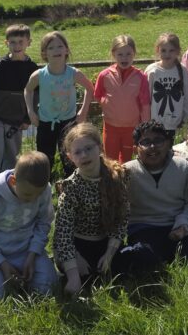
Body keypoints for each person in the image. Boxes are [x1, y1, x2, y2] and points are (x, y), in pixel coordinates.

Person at [0, 150, 58, 308]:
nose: (33, 200)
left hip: (28, 251)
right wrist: (1, 263)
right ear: (13, 181)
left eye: (38, 195)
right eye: (27, 195)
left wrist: (33, 253)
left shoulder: (43, 190)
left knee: (48, 290)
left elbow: (44, 222)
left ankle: (35, 267)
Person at [53, 123, 130, 293]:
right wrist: (74, 272)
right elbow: (63, 234)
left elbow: (122, 220)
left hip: (107, 242)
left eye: (88, 148)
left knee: (138, 260)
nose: (84, 155)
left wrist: (109, 254)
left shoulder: (118, 176)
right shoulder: (70, 188)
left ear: (100, 147)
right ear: (70, 157)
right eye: (77, 152)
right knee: (84, 278)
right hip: (78, 245)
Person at [121, 121, 188, 268]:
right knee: (144, 258)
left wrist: (183, 225)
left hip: (177, 225)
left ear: (168, 144)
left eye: (158, 141)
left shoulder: (184, 167)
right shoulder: (126, 172)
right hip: (143, 227)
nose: (153, 146)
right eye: (145, 142)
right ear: (135, 148)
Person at [24, 31, 93, 176]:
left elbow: (89, 88)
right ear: (44, 53)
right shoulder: (39, 75)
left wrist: (83, 111)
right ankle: (44, 185)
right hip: (45, 122)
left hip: (68, 122)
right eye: (51, 48)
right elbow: (28, 90)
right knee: (44, 158)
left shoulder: (73, 73)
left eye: (60, 46)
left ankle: (72, 183)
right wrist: (30, 111)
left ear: (66, 50)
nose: (56, 50)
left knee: (70, 158)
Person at [0, 24, 38, 184]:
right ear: (6, 43)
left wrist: (27, 118)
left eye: (21, 42)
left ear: (29, 42)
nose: (17, 46)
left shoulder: (32, 68)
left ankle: (7, 184)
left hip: (17, 120)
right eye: (13, 42)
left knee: (12, 154)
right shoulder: (0, 66)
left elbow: (35, 96)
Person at [94, 35, 150, 163]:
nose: (125, 58)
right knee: (110, 160)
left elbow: (145, 104)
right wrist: (106, 104)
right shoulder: (104, 75)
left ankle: (125, 176)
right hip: (110, 127)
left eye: (128, 54)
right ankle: (112, 177)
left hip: (131, 128)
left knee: (127, 161)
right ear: (113, 54)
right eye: (120, 54)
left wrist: (145, 128)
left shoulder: (140, 77)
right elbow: (97, 95)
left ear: (134, 54)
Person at [144, 32, 188, 131]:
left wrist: (186, 119)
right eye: (163, 50)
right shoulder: (152, 71)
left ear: (177, 51)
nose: (167, 54)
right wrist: (147, 121)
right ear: (157, 50)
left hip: (177, 125)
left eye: (171, 50)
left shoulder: (183, 71)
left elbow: (187, 97)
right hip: (155, 124)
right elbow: (146, 99)